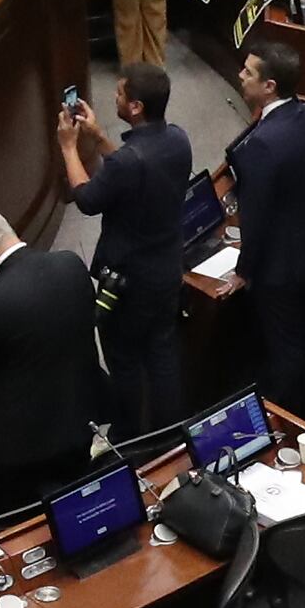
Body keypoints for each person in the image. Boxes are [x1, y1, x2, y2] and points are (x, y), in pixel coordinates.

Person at [65, 66, 192, 432]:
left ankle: (130, 436)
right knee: (163, 354)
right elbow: (134, 167)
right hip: (167, 270)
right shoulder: (178, 139)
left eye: (120, 95)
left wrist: (69, 147)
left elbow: (88, 198)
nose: (114, 99)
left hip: (128, 284)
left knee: (125, 361)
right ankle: (170, 437)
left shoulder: (127, 163)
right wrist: (100, 137)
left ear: (135, 106)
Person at [0, 207, 102, 507]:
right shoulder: (70, 264)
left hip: (24, 448)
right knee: (77, 503)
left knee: (25, 520)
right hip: (79, 418)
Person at [226, 42, 305, 415]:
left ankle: (292, 426)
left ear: (269, 86)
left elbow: (255, 219)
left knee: (285, 350)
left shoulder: (263, 146)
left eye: (248, 73)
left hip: (280, 269)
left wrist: (243, 272)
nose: (240, 77)